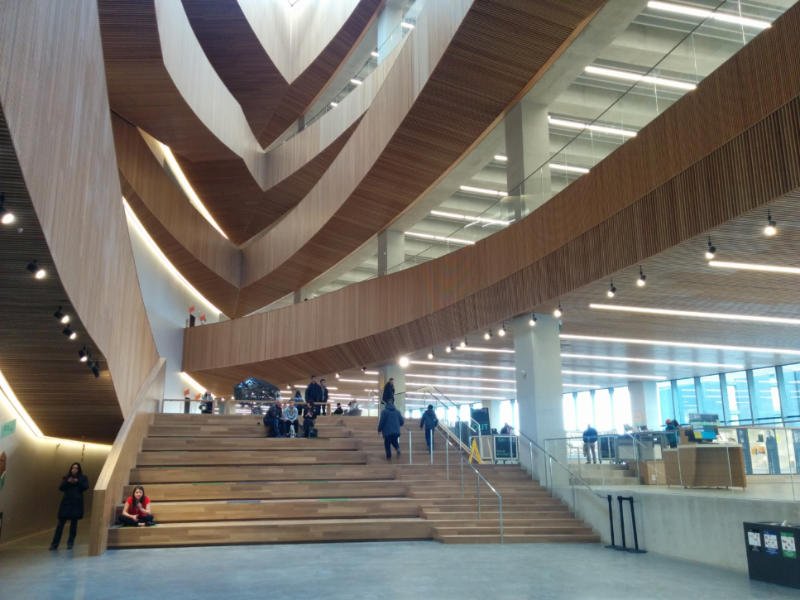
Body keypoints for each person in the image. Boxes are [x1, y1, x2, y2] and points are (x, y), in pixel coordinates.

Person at [50, 462, 89, 550]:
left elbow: (85, 487)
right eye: (73, 468)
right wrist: (68, 482)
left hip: (76, 504)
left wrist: (77, 481)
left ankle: (70, 542)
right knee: (60, 524)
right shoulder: (66, 478)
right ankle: (54, 544)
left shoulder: (82, 478)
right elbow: (61, 488)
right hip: (66, 503)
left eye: (76, 468)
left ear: (79, 470)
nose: (74, 470)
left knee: (73, 525)